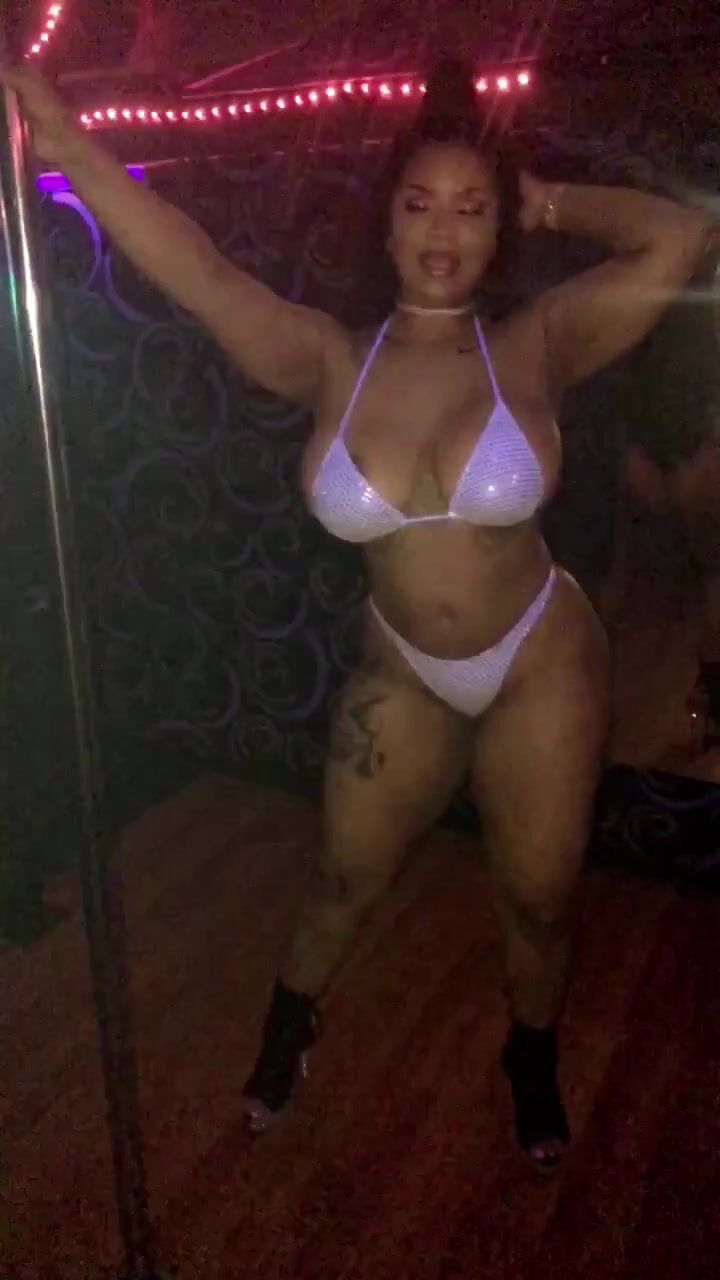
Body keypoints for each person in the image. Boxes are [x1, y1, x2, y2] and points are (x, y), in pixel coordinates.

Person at [4, 55, 714, 1174]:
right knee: (342, 876)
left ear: (497, 230)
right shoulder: (329, 358)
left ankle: (530, 1050)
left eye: (473, 208)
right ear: (385, 223)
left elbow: (682, 237)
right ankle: (292, 1017)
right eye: (421, 203)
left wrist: (549, 200)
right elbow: (197, 270)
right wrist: (66, 147)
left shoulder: (537, 340)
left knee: (538, 899)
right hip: (406, 667)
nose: (445, 229)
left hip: (539, 655)